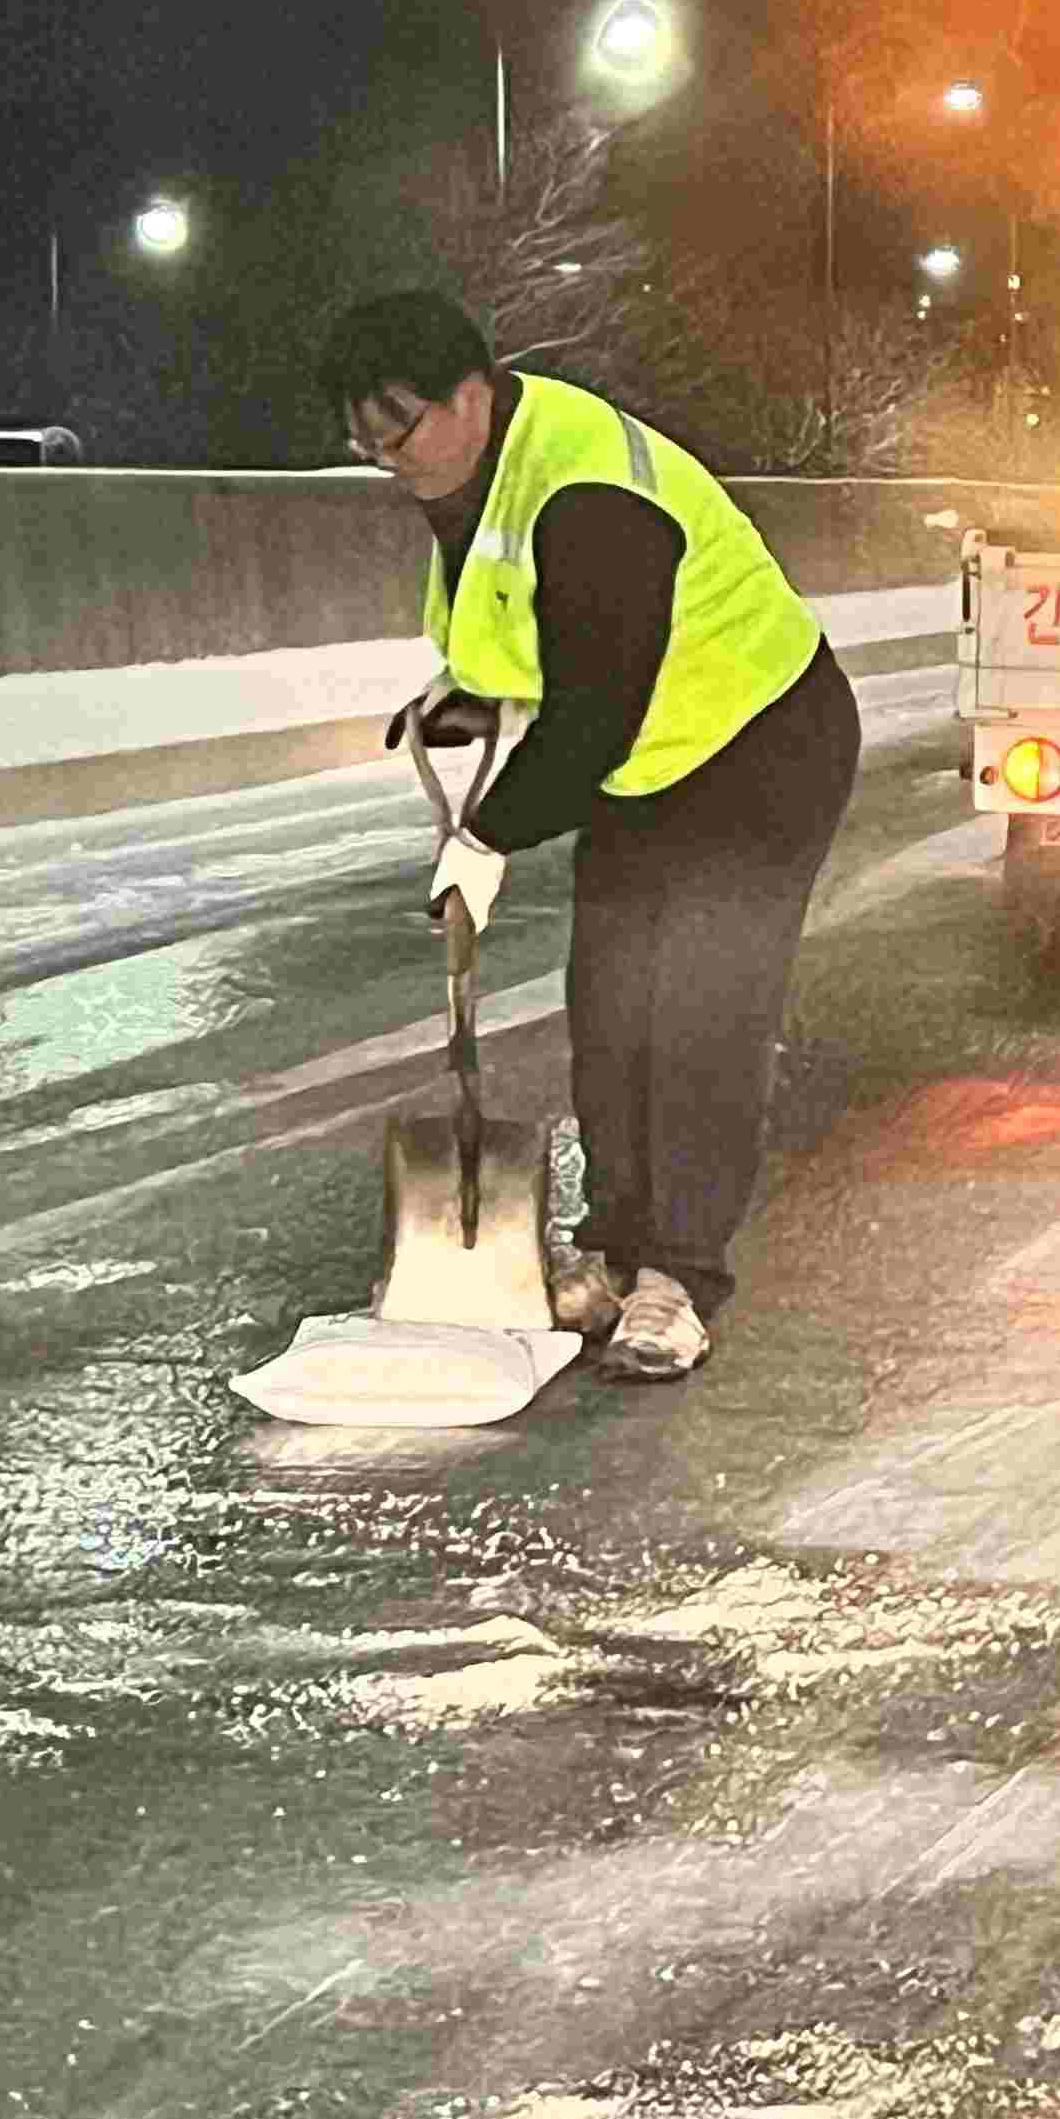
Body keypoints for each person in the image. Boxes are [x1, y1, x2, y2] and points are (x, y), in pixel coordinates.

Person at [320, 293, 861, 1383]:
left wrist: (489, 835)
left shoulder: (590, 496)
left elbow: (595, 715)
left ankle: (679, 1281)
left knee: (700, 1013)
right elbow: (536, 628)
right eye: (360, 436)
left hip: (761, 750)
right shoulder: (476, 471)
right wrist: (472, 691)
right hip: (648, 763)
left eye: (396, 428)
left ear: (469, 396)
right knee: (613, 1012)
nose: (382, 457)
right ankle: (616, 1251)